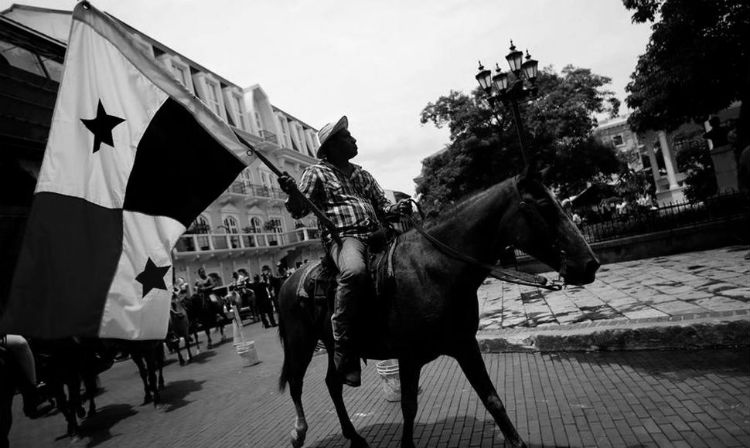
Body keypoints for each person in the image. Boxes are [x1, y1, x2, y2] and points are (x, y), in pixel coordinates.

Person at [278, 115, 410, 387]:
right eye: (348, 137)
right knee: (355, 271)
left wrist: (396, 210)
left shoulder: (363, 174)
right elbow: (299, 210)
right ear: (333, 145)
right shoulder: (317, 173)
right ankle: (344, 348)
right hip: (345, 239)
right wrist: (293, 193)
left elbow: (383, 206)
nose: (354, 140)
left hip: (377, 234)